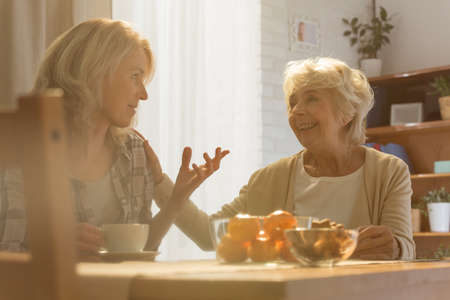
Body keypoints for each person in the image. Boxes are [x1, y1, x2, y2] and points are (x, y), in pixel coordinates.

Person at [142, 57, 415, 260]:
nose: (296, 112)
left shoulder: (389, 172)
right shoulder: (269, 178)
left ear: (346, 113)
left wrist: (396, 247)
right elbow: (208, 234)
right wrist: (159, 182)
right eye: (293, 102)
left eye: (311, 100)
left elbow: (404, 247)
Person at [0, 18, 228, 258]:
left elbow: (136, 251)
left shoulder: (135, 152)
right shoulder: (23, 148)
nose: (144, 94)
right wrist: (52, 247)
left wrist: (175, 203)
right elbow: (8, 254)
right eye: (134, 76)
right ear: (95, 71)